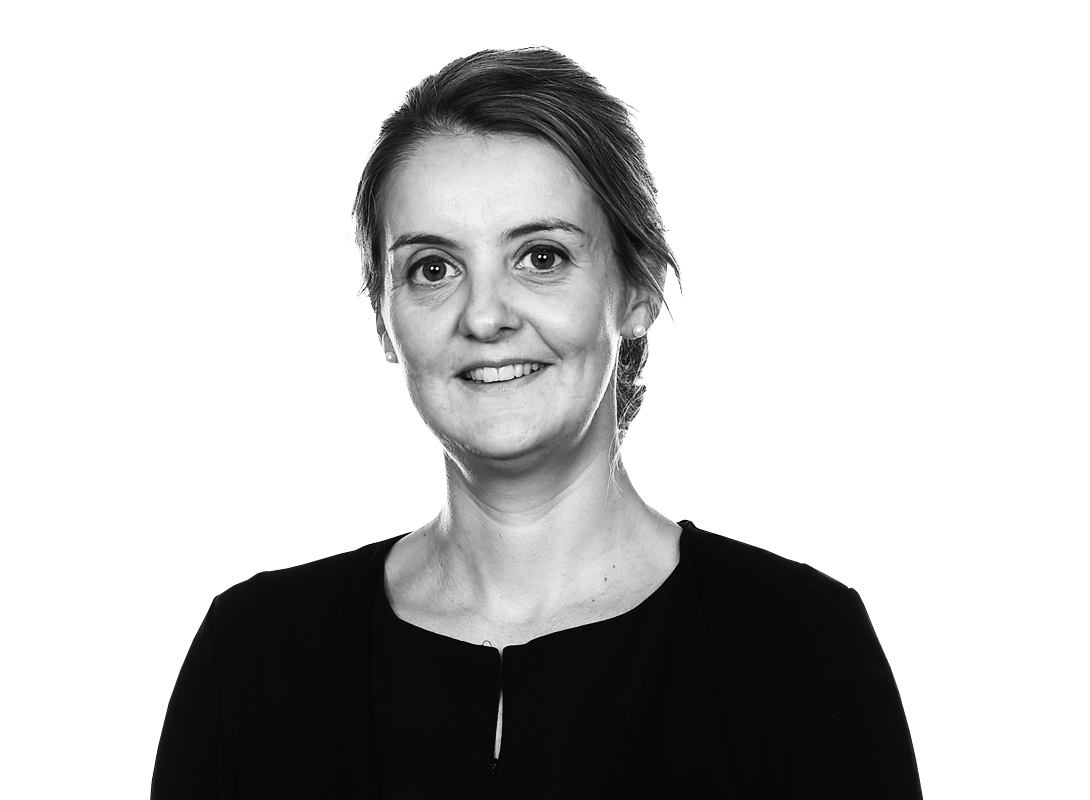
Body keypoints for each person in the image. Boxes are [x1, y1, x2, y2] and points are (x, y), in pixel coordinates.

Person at [151, 45, 923, 798]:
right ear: (384, 319)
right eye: (433, 268)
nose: (484, 315)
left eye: (542, 257)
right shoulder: (252, 659)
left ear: (638, 289)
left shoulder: (800, 649)